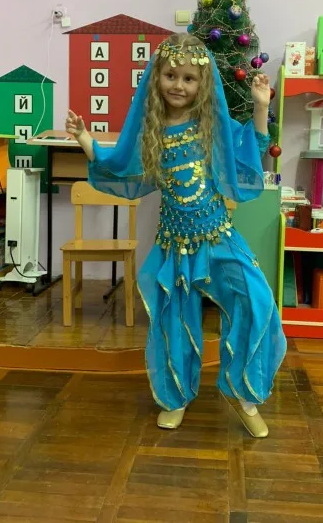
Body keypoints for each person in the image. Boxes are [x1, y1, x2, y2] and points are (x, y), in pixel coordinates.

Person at [65, 33, 286, 437]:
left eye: (188, 78)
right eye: (171, 76)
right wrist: (84, 140)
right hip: (174, 246)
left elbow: (250, 149)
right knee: (173, 322)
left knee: (257, 302)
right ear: (157, 77)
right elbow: (117, 164)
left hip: (219, 240)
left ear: (202, 84)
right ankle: (175, 398)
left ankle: (245, 397)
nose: (178, 85)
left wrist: (259, 107)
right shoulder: (150, 130)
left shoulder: (211, 126)